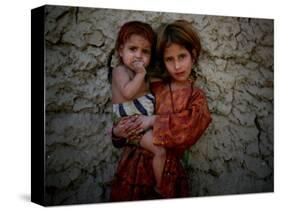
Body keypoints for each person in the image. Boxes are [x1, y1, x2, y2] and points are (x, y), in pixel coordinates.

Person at [110, 19, 212, 201]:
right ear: (162, 61)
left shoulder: (195, 97)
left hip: (166, 173)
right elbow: (126, 121)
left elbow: (191, 128)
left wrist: (153, 120)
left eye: (182, 56)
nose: (177, 66)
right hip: (132, 169)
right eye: (169, 59)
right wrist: (117, 133)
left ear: (193, 55)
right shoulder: (152, 87)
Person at [111, 21, 166, 192]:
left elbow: (154, 85)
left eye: (145, 51)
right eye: (132, 49)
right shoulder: (120, 71)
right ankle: (161, 186)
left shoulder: (142, 76)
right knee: (160, 151)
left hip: (141, 125)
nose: (138, 56)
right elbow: (127, 93)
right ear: (121, 50)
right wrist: (142, 73)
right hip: (132, 126)